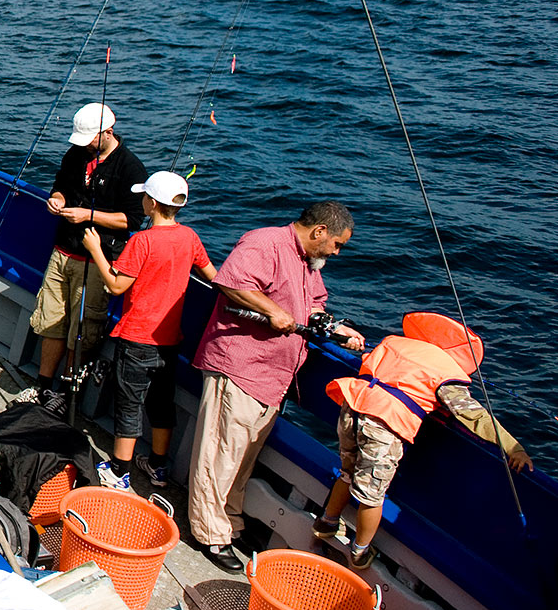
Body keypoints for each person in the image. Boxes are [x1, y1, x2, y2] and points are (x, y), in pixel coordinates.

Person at [187, 201, 366, 572]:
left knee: (242, 459)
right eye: (337, 244)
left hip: (272, 378)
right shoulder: (265, 243)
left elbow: (313, 306)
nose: (336, 252)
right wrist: (271, 309)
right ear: (319, 232)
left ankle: (230, 523)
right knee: (219, 455)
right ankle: (209, 533)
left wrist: (333, 329)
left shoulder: (308, 264)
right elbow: (231, 283)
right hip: (239, 368)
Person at [314, 313, 532, 569]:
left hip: (352, 407)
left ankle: (326, 523)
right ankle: (359, 553)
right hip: (384, 422)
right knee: (373, 495)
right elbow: (474, 415)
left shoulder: (394, 342)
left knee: (348, 472)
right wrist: (513, 447)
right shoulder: (446, 369)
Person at [79, 171, 217, 492]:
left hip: (137, 337)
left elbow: (116, 285)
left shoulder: (141, 241)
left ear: (151, 204)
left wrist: (96, 248)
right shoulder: (190, 238)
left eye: (144, 197)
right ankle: (157, 467)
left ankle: (119, 471)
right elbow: (213, 276)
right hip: (169, 340)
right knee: (161, 404)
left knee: (129, 404)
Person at [29, 103, 146, 415]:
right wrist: (58, 200)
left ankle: (66, 393)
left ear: (107, 132)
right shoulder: (76, 155)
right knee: (51, 319)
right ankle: (42, 386)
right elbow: (61, 185)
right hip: (62, 250)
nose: (86, 145)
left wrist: (89, 215)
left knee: (81, 329)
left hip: (97, 260)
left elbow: (132, 220)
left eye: (90, 139)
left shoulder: (131, 168)